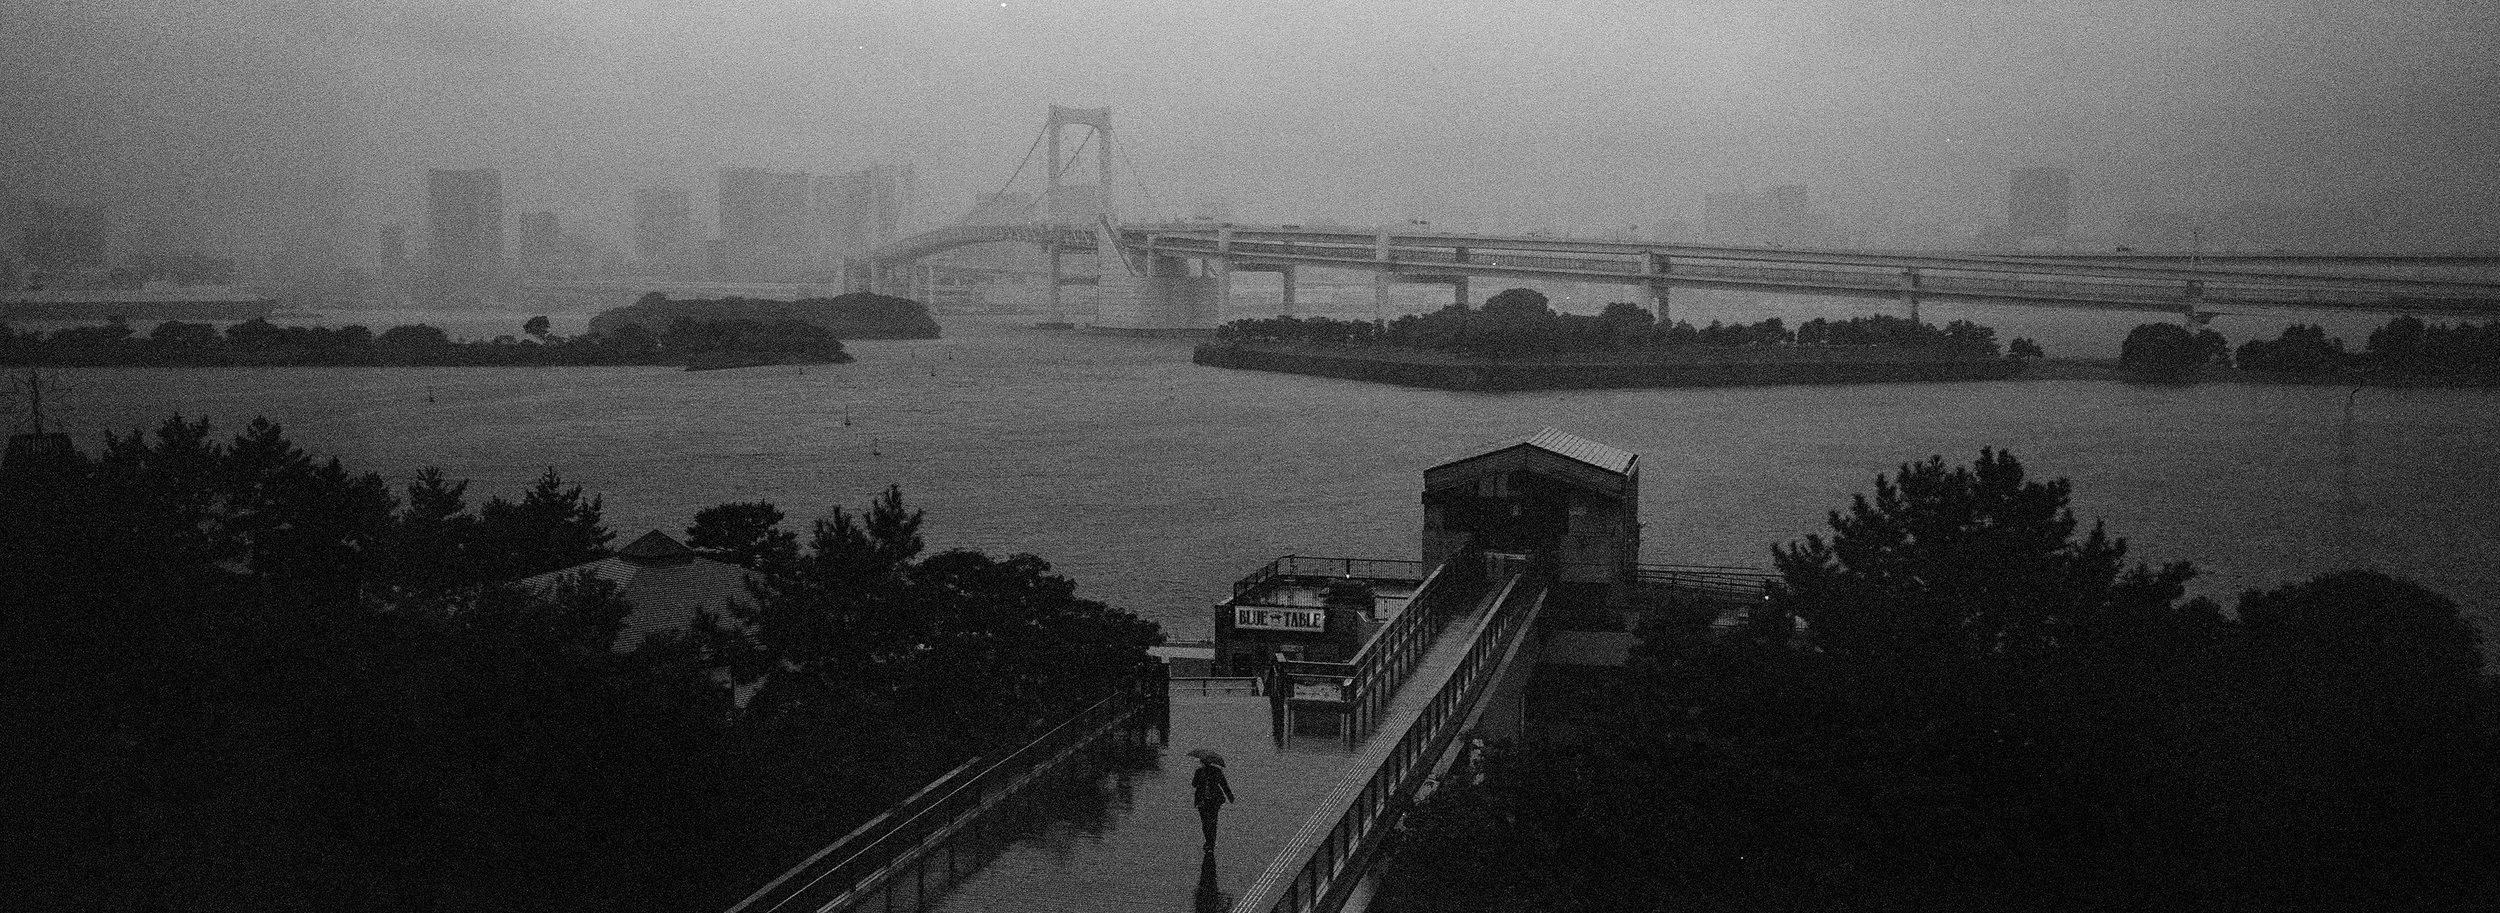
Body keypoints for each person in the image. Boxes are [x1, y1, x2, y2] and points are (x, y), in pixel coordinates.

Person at [1192, 754, 1236, 850]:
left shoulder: (1200, 771)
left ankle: (1209, 841)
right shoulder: (1216, 771)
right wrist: (1230, 797)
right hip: (1212, 800)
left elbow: (1194, 784)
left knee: (1206, 822)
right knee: (1212, 821)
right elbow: (1224, 785)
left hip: (1205, 800)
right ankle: (1211, 841)